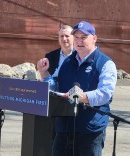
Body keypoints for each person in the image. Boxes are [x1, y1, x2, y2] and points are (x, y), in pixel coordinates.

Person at [44, 20, 117, 156]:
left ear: (94, 38)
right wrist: (44, 77)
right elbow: (55, 84)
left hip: (89, 130)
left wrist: (80, 96)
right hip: (64, 128)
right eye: (76, 37)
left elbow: (105, 93)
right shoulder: (67, 61)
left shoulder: (105, 63)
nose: (79, 41)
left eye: (84, 37)